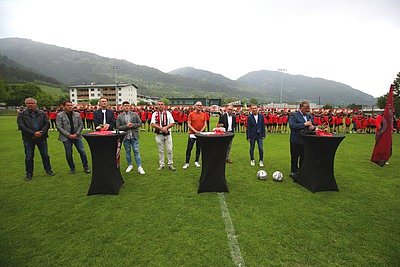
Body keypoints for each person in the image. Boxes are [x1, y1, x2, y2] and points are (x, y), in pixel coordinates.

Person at [17, 98, 55, 181]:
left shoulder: (42, 113)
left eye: (32, 103)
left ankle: (48, 170)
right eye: (28, 103)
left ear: (36, 104)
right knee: (29, 157)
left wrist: (41, 132)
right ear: (25, 104)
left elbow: (47, 124)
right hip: (28, 139)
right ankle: (29, 173)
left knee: (45, 155)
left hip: (42, 138)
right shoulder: (22, 114)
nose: (30, 105)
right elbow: (21, 126)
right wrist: (33, 133)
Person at [56, 101, 90, 174]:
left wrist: (77, 134)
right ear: (64, 106)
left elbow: (81, 125)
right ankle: (72, 168)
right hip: (66, 137)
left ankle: (86, 167)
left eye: (71, 105)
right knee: (69, 153)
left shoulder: (77, 114)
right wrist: (69, 135)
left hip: (77, 136)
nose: (70, 107)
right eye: (68, 105)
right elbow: (59, 127)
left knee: (82, 151)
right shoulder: (59, 115)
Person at [116, 101, 145, 175]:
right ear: (122, 107)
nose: (127, 107)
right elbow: (118, 127)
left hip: (134, 136)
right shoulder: (119, 116)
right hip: (125, 137)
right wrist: (126, 126)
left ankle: (139, 166)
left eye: (128, 106)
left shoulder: (135, 114)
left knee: (136, 151)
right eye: (125, 106)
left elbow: (140, 124)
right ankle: (130, 165)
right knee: (127, 152)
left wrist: (132, 125)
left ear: (130, 107)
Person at [288, 100, 315, 179]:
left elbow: (313, 125)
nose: (307, 110)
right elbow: (292, 126)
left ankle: (301, 171)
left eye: (308, 108)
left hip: (306, 140)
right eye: (306, 108)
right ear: (301, 108)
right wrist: (304, 124)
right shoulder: (294, 115)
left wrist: (313, 127)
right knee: (295, 157)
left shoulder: (309, 116)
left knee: (304, 157)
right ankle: (294, 172)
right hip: (296, 140)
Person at [150, 101, 176, 171]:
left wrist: (166, 128)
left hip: (167, 134)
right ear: (157, 106)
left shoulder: (168, 113)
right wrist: (161, 128)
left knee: (169, 149)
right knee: (160, 150)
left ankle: (170, 164)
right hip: (159, 134)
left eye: (162, 104)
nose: (160, 106)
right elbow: (152, 123)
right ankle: (161, 164)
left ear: (164, 106)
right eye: (159, 104)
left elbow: (172, 123)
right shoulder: (154, 114)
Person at [183, 101, 207, 169]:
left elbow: (205, 124)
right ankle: (187, 162)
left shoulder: (204, 114)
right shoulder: (191, 114)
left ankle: (196, 161)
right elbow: (189, 124)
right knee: (189, 148)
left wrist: (200, 131)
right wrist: (195, 131)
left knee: (198, 148)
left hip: (200, 134)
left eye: (201, 105)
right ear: (195, 106)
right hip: (192, 134)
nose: (199, 106)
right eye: (198, 105)